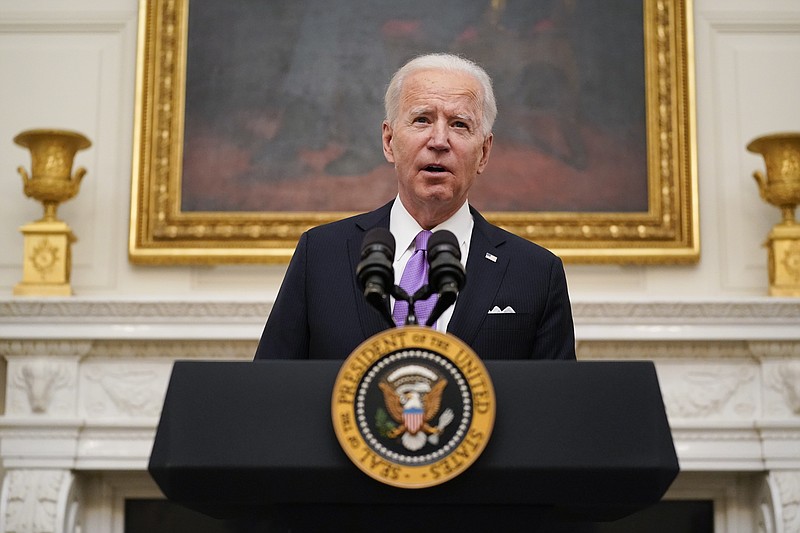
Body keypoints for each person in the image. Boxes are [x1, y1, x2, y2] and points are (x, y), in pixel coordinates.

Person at [254, 53, 575, 361]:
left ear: (485, 152)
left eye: (459, 125)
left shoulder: (536, 273)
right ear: (389, 141)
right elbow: (272, 386)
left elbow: (554, 405)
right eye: (422, 120)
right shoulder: (322, 253)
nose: (439, 140)